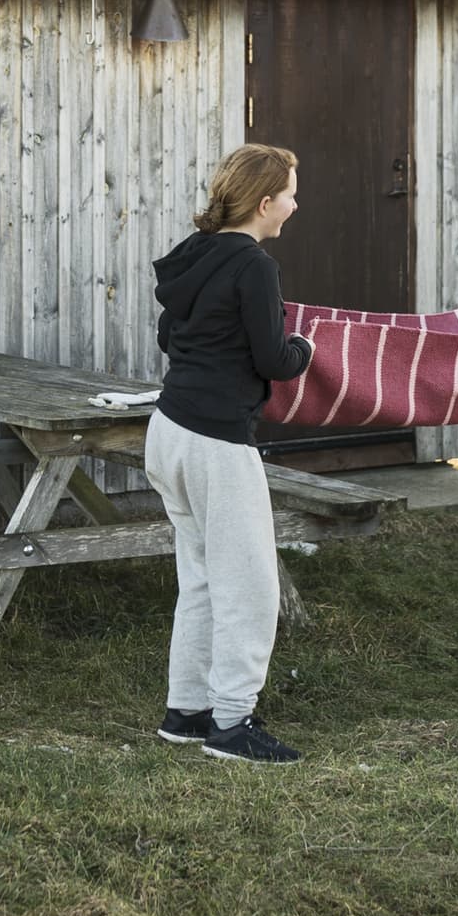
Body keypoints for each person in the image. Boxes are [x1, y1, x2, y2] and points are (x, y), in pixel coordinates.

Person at [146, 143, 314, 764]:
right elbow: (274, 359)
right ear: (266, 203)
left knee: (201, 579)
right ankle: (232, 725)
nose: (296, 206)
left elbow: (170, 334)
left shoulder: (193, 253)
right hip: (218, 441)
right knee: (248, 586)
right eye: (292, 194)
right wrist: (307, 349)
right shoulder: (255, 267)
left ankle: (185, 713)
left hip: (168, 431)